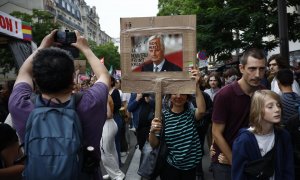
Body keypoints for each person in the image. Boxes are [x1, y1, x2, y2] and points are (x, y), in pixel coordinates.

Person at [8, 30, 110, 180]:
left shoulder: (20, 105)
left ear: (36, 79)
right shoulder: (90, 103)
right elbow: (104, 76)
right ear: (72, 78)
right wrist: (85, 48)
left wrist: (42, 47)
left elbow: (24, 72)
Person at [211, 48, 266, 180]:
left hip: (253, 160)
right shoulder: (224, 95)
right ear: (241, 68)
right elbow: (216, 133)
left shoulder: (264, 93)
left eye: (262, 69)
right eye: (252, 69)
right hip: (226, 162)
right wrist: (234, 160)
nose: (258, 74)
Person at [148, 68, 206, 180]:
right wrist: (152, 131)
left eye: (183, 93)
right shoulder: (162, 117)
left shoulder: (191, 113)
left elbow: (202, 111)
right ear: (170, 96)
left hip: (190, 167)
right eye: (174, 92)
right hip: (170, 167)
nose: (178, 96)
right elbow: (154, 144)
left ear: (187, 97)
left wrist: (196, 85)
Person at [232, 90, 294, 180]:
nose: (277, 110)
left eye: (278, 105)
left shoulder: (283, 136)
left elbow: (288, 169)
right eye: (270, 107)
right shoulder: (243, 141)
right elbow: (238, 175)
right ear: (257, 110)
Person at [101, 95, 125, 180]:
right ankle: (113, 173)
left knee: (104, 152)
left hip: (107, 124)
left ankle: (118, 175)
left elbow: (108, 114)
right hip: (110, 124)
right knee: (111, 150)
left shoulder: (104, 96)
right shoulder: (106, 95)